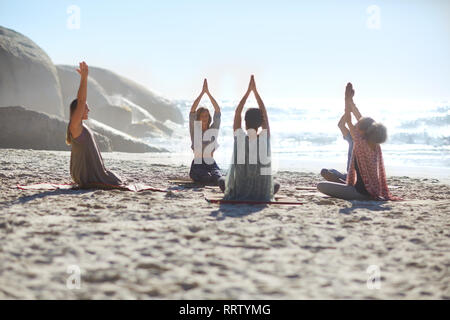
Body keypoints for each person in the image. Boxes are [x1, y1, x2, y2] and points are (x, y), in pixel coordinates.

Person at [317, 82, 399, 201]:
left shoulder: (359, 143)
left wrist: (347, 99)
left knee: (321, 186)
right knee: (333, 177)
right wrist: (351, 101)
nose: (356, 126)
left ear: (361, 130)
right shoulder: (375, 146)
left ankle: (344, 184)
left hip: (359, 193)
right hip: (372, 191)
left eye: (358, 126)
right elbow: (360, 119)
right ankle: (343, 182)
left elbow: (350, 120)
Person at [219, 75, 280, 201]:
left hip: (240, 189)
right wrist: (255, 92)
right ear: (260, 123)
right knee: (276, 184)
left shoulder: (240, 137)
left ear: (245, 122)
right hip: (261, 192)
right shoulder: (264, 138)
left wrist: (248, 92)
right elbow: (265, 114)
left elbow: (237, 113)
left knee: (221, 180)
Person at [66, 61, 124, 189]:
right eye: (86, 108)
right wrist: (84, 78)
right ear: (79, 111)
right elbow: (81, 100)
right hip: (85, 176)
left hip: (86, 174)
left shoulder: (81, 126)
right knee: (114, 180)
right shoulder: (75, 126)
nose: (88, 110)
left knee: (116, 178)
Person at [188, 79, 222, 184]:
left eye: (206, 115)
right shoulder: (195, 129)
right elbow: (192, 111)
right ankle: (195, 174)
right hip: (198, 163)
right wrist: (202, 93)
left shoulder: (213, 129)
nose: (205, 118)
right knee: (206, 178)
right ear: (198, 118)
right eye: (202, 116)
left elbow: (217, 111)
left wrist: (208, 93)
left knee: (218, 179)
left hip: (211, 163)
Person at [320, 103, 362, 183]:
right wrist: (348, 112)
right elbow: (341, 125)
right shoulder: (351, 138)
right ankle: (343, 182)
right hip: (349, 175)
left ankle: (345, 183)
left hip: (361, 178)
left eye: (356, 129)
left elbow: (363, 122)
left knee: (351, 179)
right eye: (353, 128)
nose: (353, 130)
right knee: (326, 171)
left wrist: (353, 108)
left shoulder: (364, 141)